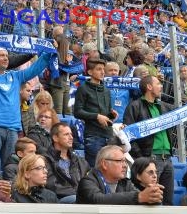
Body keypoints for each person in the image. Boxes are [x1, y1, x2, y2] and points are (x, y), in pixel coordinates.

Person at [0, 40, 52, 170]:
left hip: (13, 128)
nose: (6, 58)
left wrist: (49, 52)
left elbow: (35, 69)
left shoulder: (16, 76)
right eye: (1, 55)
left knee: (10, 166)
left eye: (7, 55)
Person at [123, 75, 174, 205]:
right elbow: (129, 136)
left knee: (168, 201)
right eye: (158, 84)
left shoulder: (164, 107)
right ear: (149, 87)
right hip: (150, 158)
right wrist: (141, 158)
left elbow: (182, 111)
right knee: (151, 201)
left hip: (167, 158)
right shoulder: (134, 106)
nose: (161, 86)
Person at [76, 145, 163, 205]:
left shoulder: (125, 183)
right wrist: (139, 197)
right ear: (104, 164)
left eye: (125, 161)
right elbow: (98, 199)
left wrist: (153, 197)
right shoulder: (88, 181)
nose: (125, 165)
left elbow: (141, 197)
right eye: (120, 161)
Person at [73, 58, 117, 167]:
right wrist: (97, 116)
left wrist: (112, 115)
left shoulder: (106, 90)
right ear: (90, 72)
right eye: (99, 69)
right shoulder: (83, 89)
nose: (102, 72)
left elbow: (106, 115)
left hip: (108, 135)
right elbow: (77, 112)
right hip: (93, 136)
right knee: (95, 170)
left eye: (103, 69)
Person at [44, 122, 89, 203]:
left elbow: (88, 181)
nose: (71, 137)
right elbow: (52, 185)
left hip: (80, 197)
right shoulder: (46, 159)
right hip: (60, 198)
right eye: (66, 134)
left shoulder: (80, 161)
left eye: (71, 134)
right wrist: (79, 194)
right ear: (55, 138)